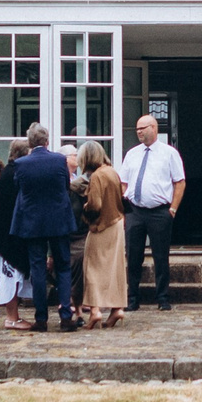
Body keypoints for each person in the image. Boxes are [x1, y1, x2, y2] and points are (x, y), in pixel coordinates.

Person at [9, 124, 81, 332]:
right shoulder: (60, 160)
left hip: (33, 221)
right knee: (64, 266)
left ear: (30, 142)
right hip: (58, 220)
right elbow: (66, 186)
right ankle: (66, 315)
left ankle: (41, 319)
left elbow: (18, 188)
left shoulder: (21, 164)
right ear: (47, 141)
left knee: (37, 269)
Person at [117, 113, 185, 312]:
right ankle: (132, 298)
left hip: (160, 212)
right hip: (135, 211)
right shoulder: (132, 154)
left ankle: (163, 298)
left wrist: (172, 209)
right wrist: (124, 210)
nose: (139, 132)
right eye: (137, 129)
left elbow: (179, 182)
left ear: (154, 128)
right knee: (133, 255)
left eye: (142, 128)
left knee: (161, 256)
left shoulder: (169, 153)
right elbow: (123, 182)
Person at [79, 141, 128, 329]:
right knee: (115, 269)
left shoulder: (97, 176)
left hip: (101, 226)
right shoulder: (112, 172)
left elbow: (95, 205)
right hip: (116, 223)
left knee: (91, 268)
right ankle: (117, 308)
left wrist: (85, 208)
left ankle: (95, 311)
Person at [0, 140, 33, 328]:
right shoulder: (15, 174)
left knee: (10, 275)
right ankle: (12, 318)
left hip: (2, 232)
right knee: (9, 276)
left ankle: (13, 317)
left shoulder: (8, 172)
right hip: (7, 235)